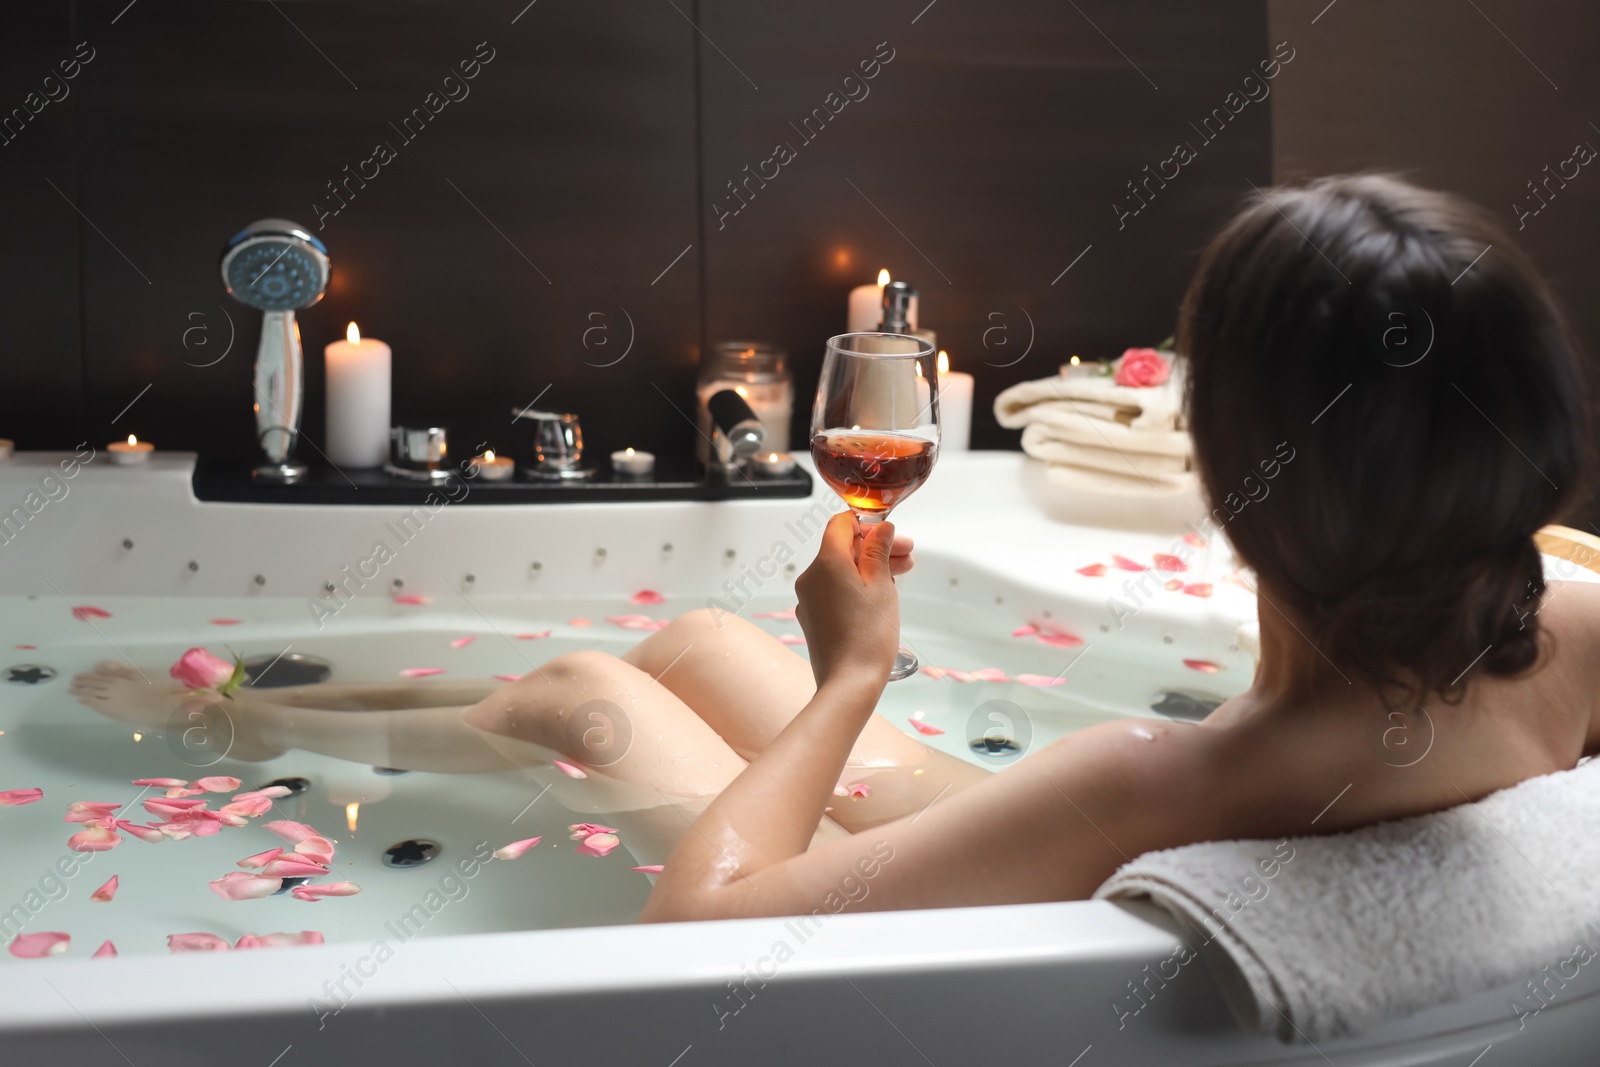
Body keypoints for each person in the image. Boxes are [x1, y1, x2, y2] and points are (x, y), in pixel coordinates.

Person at [74, 175, 1600, 921]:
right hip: (1080, 840)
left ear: (1221, 468)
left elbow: (702, 929)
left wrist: (854, 678)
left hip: (1054, 857)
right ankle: (261, 717)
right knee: (696, 649)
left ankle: (247, 720)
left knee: (581, 703)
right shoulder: (1572, 634)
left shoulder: (1141, 779)